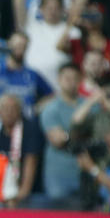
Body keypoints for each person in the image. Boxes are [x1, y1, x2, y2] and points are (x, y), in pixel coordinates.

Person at [39, 63, 87, 208]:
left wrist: (67, 135)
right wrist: (80, 135)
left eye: (75, 78)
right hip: (59, 175)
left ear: (80, 81)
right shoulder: (51, 108)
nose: (71, 82)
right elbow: (57, 140)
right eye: (67, 78)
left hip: (85, 172)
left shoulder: (90, 105)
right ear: (59, 80)